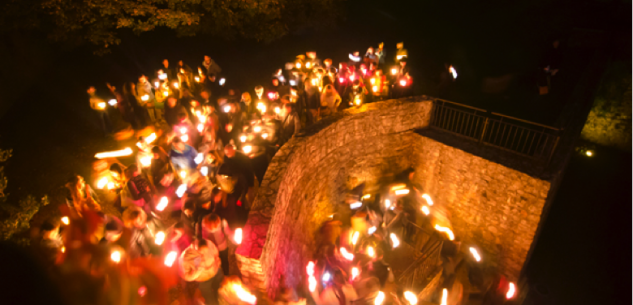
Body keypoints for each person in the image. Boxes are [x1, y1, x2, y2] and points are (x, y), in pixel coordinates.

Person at [179, 238, 224, 305]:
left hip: (216, 273)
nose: (204, 254)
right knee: (208, 297)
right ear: (196, 249)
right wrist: (197, 272)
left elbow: (216, 254)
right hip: (203, 281)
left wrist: (217, 263)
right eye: (201, 252)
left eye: (206, 251)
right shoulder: (186, 257)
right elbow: (186, 275)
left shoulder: (209, 243)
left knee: (221, 290)